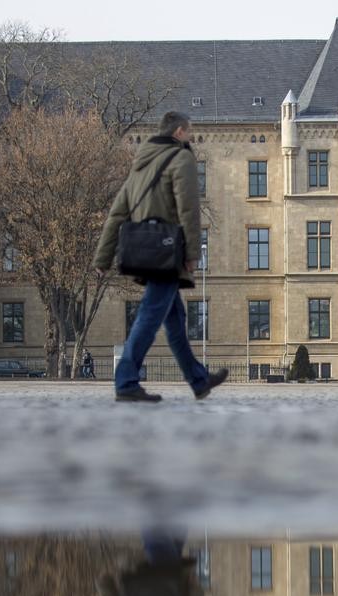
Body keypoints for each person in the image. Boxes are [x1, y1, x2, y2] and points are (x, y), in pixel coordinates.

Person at [94, 111, 227, 403]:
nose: (191, 136)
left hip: (143, 248)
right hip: (167, 250)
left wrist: (102, 259)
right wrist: (192, 253)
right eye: (189, 131)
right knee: (150, 314)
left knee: (175, 318)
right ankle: (126, 380)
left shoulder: (140, 164)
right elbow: (189, 208)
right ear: (179, 132)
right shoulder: (182, 159)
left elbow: (118, 212)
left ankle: (199, 379)